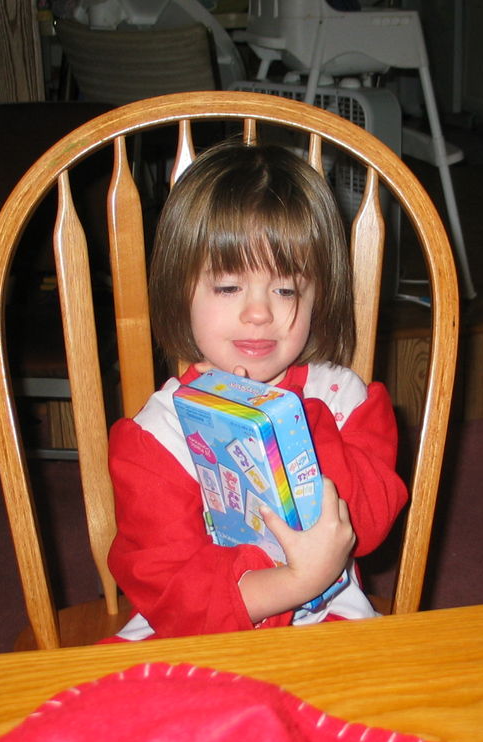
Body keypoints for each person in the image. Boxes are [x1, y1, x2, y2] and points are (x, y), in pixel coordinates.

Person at [107, 139, 408, 640]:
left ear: (318, 297)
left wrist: (293, 419)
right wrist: (293, 582)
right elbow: (168, 590)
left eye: (286, 289)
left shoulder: (342, 399)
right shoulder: (157, 434)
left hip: (328, 622)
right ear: (181, 291)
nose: (259, 313)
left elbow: (370, 524)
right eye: (228, 287)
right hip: (196, 631)